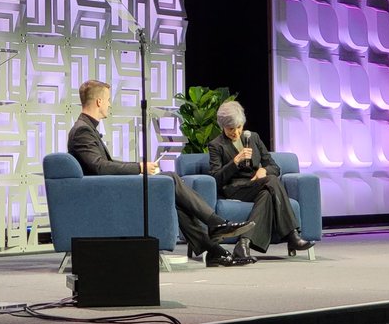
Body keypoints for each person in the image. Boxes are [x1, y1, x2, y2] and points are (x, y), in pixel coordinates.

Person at [67, 79, 255, 267]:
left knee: (172, 196)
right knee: (171, 178)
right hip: (106, 194)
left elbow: (103, 165)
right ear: (99, 101)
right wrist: (140, 168)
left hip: (108, 189)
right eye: (108, 100)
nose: (109, 104)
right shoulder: (83, 130)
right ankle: (216, 223)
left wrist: (140, 168)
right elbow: (100, 167)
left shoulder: (86, 128)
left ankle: (214, 250)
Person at [208, 100, 314, 260]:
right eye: (231, 129)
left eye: (239, 127)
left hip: (259, 185)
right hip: (235, 189)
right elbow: (216, 178)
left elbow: (274, 167)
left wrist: (264, 170)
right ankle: (292, 235)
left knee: (266, 194)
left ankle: (243, 244)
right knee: (271, 181)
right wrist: (235, 162)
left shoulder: (254, 138)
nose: (236, 132)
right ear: (222, 126)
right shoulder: (216, 145)